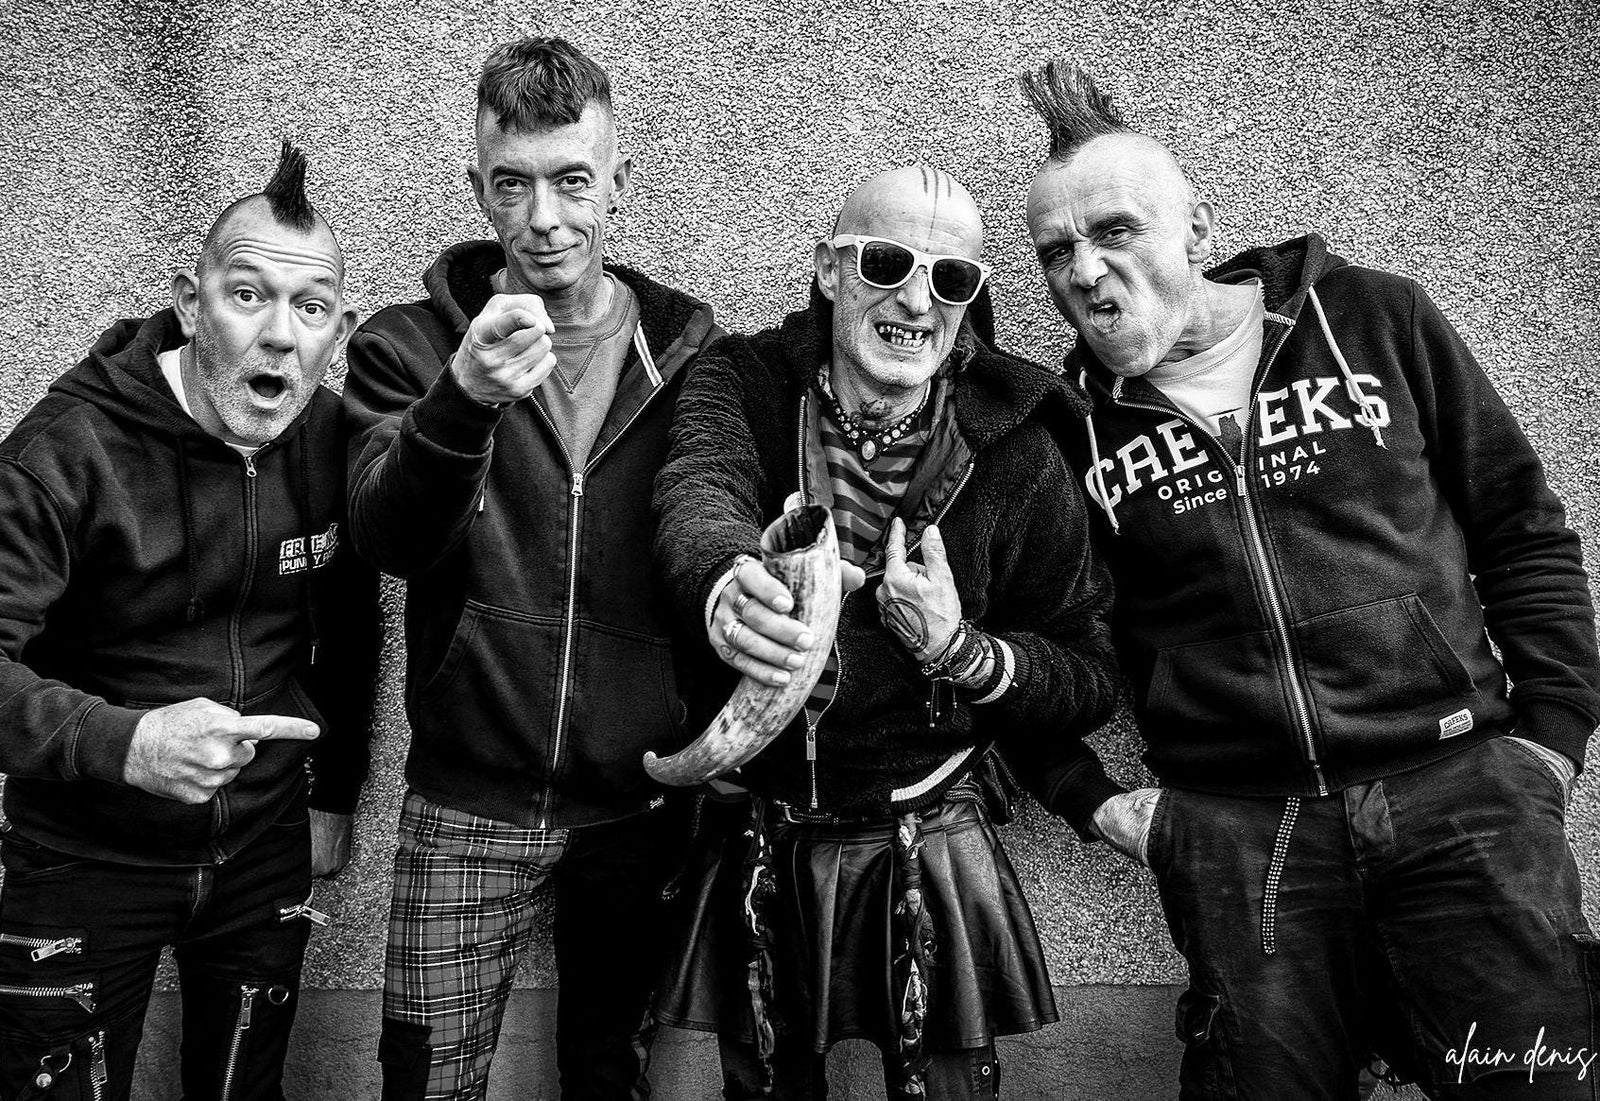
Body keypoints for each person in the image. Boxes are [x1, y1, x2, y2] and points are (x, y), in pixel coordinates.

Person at [1019, 61, 1600, 1099]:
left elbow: (1521, 526)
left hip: (1461, 794)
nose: (1085, 270)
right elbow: (1030, 638)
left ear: (1196, 229)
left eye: (1115, 231)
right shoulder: (1067, 428)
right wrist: (1095, 801)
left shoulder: (1372, 319)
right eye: (1057, 251)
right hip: (1245, 838)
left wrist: (1551, 738)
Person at [651, 164, 1121, 1100]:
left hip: (929, 825)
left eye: (950, 278)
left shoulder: (1022, 452)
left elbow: (1089, 670)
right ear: (830, 270)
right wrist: (728, 584)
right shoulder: (742, 382)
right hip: (761, 822)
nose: (916, 300)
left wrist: (962, 651)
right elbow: (698, 490)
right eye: (886, 263)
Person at [343, 35, 720, 1101]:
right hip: (466, 802)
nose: (544, 218)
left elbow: (712, 536)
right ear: (479, 190)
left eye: (572, 181)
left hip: (641, 805)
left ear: (618, 183)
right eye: (512, 184)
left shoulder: (690, 355)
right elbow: (383, 536)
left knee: (610, 1074)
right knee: (426, 1081)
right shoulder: (410, 348)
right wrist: (462, 401)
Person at [0, 141, 379, 1101]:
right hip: (85, 853)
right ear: (188, 302)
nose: (280, 336)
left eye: (311, 307)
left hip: (261, 849)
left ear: (338, 329)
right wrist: (126, 743)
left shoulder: (329, 436)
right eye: (248, 294)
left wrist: (333, 792)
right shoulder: (66, 453)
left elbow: (351, 620)